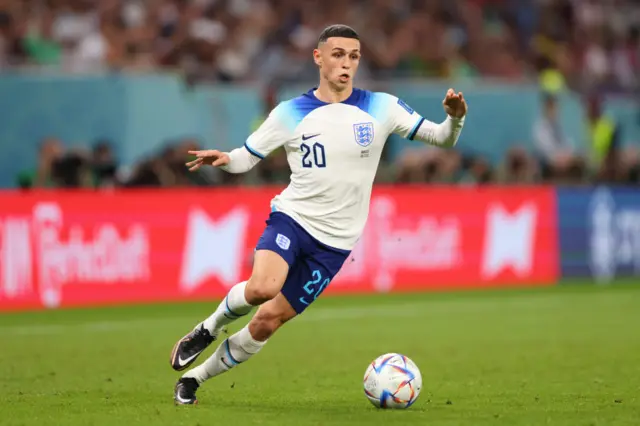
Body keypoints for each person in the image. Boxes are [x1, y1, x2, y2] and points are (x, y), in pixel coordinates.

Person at [171, 24, 468, 405]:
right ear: (319, 57)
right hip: (293, 220)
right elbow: (247, 157)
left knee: (266, 322)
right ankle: (207, 329)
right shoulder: (290, 112)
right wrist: (226, 159)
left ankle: (195, 378)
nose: (346, 64)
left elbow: (442, 138)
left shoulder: (383, 107)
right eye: (338, 55)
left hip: (335, 245)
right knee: (263, 286)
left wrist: (455, 118)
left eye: (354, 56)